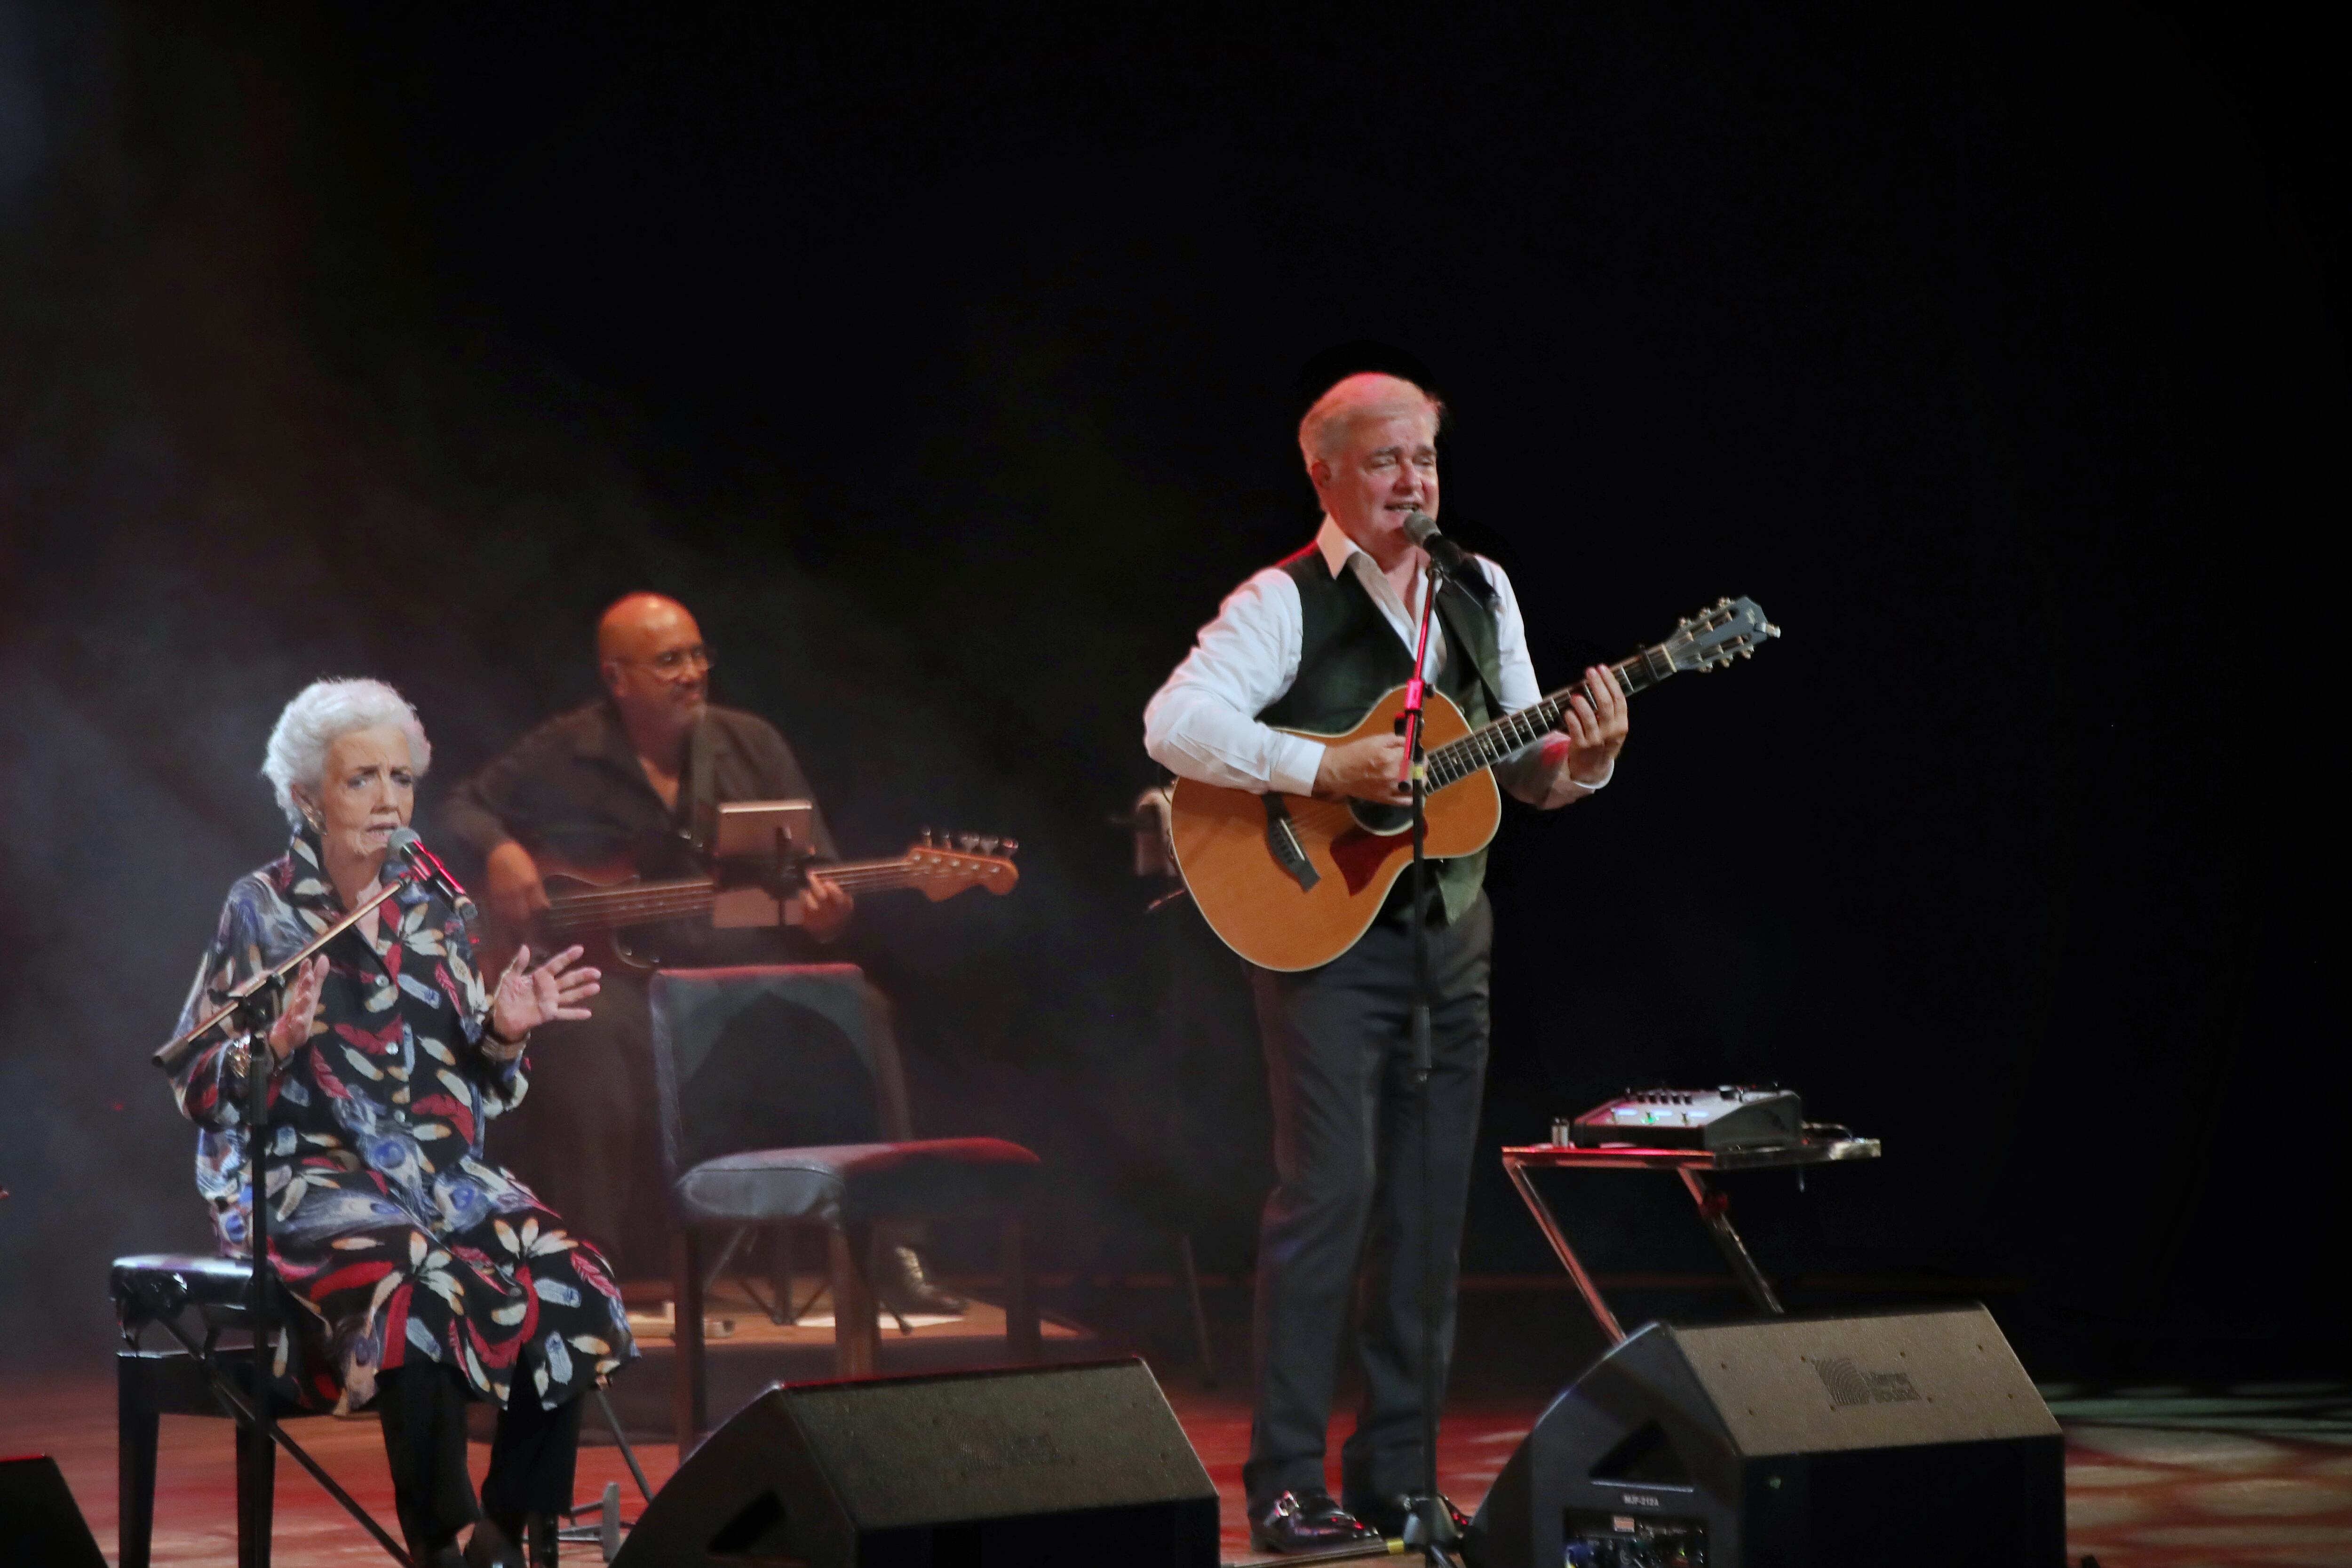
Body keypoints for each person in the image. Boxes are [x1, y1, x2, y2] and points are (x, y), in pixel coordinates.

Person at [1144, 370, 1630, 1552]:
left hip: (1448, 934)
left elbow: (1519, 756)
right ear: (1324, 476)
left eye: (1424, 459)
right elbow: (1173, 722)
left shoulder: (1479, 588)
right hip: (1322, 938)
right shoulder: (1281, 600)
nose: (1413, 482)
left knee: (1425, 1213)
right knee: (1329, 1197)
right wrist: (1324, 770)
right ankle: (1285, 1484)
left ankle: (1397, 1480)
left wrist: (1585, 760)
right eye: (1384, 461)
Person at [160, 678, 628, 1568]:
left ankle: (503, 1532)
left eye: (401, 778)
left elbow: (475, 1089)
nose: (388, 800)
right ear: (307, 797)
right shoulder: (262, 907)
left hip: (434, 1177)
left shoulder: (433, 907)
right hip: (306, 1181)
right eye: (362, 779)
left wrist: (503, 1030)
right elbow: (194, 1082)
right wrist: (275, 1045)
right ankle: (442, 1540)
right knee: (420, 1281)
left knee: (575, 1275)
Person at [438, 593, 961, 1312]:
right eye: (668, 661)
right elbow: (460, 805)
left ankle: (896, 1250)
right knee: (579, 1033)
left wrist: (828, 916)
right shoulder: (569, 746)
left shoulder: (753, 745)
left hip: (737, 984)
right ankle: (587, 1272)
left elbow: (822, 876)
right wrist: (501, 849)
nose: (691, 673)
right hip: (627, 992)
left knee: (861, 1008)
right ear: (617, 678)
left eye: (696, 655)